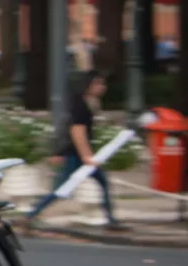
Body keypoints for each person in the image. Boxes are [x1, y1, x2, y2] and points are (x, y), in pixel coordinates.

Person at [26, 72, 128, 231]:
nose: (102, 88)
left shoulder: (88, 103)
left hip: (77, 154)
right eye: (98, 84)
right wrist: (86, 156)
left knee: (100, 183)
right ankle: (31, 215)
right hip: (74, 154)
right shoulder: (81, 105)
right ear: (88, 86)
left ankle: (111, 220)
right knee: (63, 188)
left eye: (103, 84)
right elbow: (77, 132)